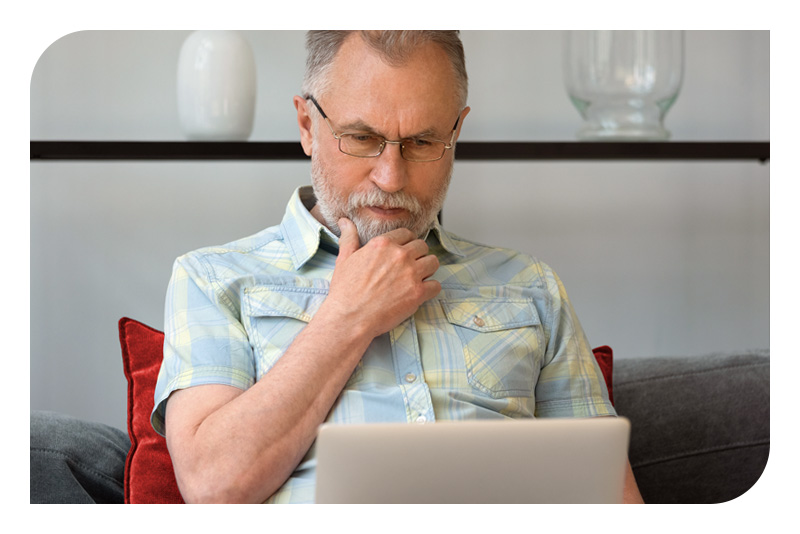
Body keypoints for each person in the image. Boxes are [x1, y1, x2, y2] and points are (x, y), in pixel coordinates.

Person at [153, 30, 643, 504]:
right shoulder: (213, 279)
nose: (391, 178)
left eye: (423, 142)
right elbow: (213, 486)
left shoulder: (530, 287)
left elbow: (608, 500)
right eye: (362, 138)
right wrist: (349, 315)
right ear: (307, 126)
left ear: (456, 133)